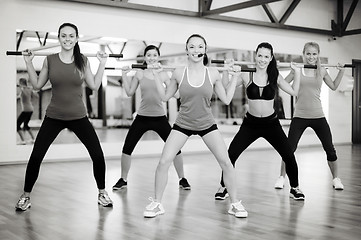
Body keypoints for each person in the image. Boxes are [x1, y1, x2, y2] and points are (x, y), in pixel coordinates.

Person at [143, 34, 248, 218]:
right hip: (183, 123)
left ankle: (234, 203)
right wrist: (156, 75)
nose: (196, 50)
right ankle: (157, 203)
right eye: (192, 47)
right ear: (186, 50)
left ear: (205, 50)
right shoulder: (178, 72)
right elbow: (165, 97)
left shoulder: (213, 73)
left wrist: (235, 78)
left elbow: (226, 99)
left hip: (206, 123)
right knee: (164, 161)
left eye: (200, 47)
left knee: (226, 162)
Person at [15, 23, 113, 211]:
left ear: (76, 38)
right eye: (63, 36)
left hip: (79, 116)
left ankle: (102, 193)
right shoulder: (50, 60)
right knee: (36, 156)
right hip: (54, 116)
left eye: (71, 36)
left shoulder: (83, 60)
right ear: (58, 38)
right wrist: (28, 63)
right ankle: (25, 196)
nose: (67, 39)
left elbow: (94, 85)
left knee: (98, 155)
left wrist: (102, 64)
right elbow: (36, 85)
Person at [215, 42, 305, 201]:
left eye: (266, 56)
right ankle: (224, 186)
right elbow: (225, 87)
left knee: (288, 155)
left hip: (271, 124)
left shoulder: (275, 75)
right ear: (255, 55)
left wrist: (297, 73)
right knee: (231, 154)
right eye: (260, 55)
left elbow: (294, 91)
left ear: (271, 59)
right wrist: (226, 71)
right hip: (251, 124)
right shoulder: (246, 74)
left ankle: (295, 188)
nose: (262, 59)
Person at [112, 45, 191, 191]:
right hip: (142, 117)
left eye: (154, 55)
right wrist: (124, 74)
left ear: (158, 57)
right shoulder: (139, 73)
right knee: (127, 148)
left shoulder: (162, 74)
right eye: (149, 55)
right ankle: (123, 179)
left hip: (160, 118)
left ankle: (182, 178)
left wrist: (180, 82)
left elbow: (176, 94)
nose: (152, 58)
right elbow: (129, 92)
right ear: (145, 57)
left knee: (175, 148)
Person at [274, 42, 346, 190]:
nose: (311, 57)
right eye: (308, 53)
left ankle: (336, 179)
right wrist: (275, 69)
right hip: (300, 115)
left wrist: (341, 72)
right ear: (303, 54)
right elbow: (281, 84)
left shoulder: (323, 71)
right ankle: (281, 177)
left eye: (314, 54)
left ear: (318, 54)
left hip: (318, 115)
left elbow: (333, 86)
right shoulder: (297, 70)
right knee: (289, 148)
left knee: (330, 149)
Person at [17, 78, 37, 144]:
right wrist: (30, 89)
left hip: (26, 110)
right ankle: (34, 139)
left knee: (17, 125)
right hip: (30, 109)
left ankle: (23, 141)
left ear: (21, 83)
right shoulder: (28, 89)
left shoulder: (24, 90)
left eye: (19, 82)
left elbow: (35, 96)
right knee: (26, 125)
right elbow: (36, 96)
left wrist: (23, 89)